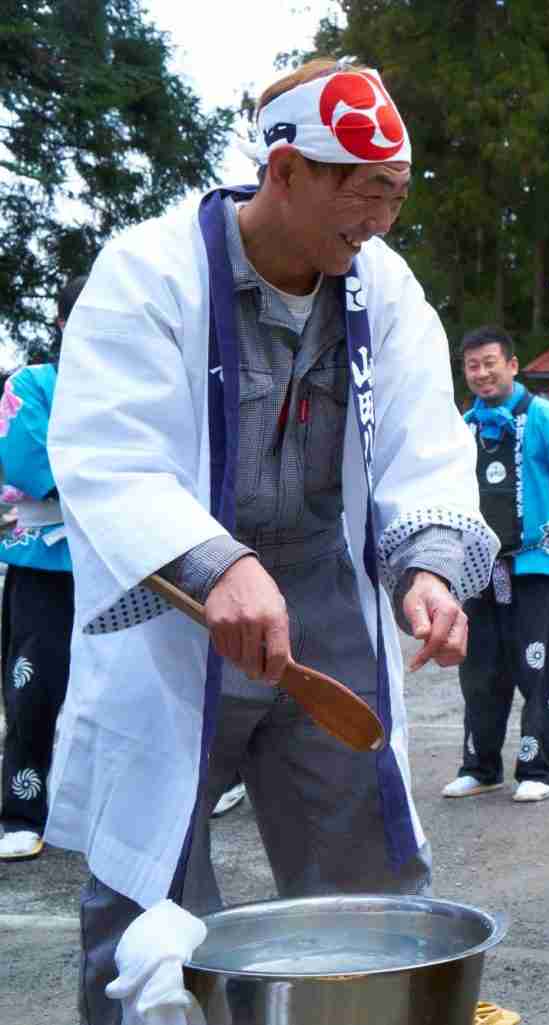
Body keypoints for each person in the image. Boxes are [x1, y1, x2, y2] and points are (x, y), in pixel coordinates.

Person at [47, 60, 499, 1023]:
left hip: (323, 595)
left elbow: (426, 439)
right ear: (285, 171)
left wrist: (428, 568)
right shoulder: (150, 269)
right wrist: (216, 560)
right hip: (178, 609)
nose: (380, 219)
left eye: (395, 193)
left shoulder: (383, 287)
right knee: (149, 889)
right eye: (362, 191)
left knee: (366, 869)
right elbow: (107, 448)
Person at [442, 325, 549, 803]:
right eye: (473, 366)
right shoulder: (462, 427)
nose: (482, 373)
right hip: (477, 573)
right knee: (479, 672)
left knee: (539, 669)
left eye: (490, 363)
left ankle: (540, 768)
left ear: (512, 364)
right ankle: (481, 766)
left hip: (534, 569)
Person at [0, 274, 86, 862]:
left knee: (132, 691)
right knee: (35, 689)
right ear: (61, 323)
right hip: (46, 565)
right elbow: (31, 464)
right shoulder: (31, 384)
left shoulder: (137, 387)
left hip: (125, 560)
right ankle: (22, 811)